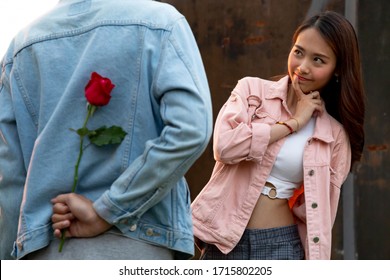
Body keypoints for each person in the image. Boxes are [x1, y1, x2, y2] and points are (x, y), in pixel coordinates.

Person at [0, 0, 212, 260]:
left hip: (45, 249)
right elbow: (190, 130)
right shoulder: (161, 23)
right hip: (135, 246)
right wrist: (109, 210)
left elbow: (9, 177)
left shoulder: (21, 46)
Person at [191, 11, 365, 260]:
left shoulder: (334, 136)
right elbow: (225, 147)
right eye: (298, 52)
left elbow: (319, 217)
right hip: (225, 243)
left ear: (336, 70)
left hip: (281, 246)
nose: (303, 67)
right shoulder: (252, 91)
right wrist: (294, 123)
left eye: (318, 60)